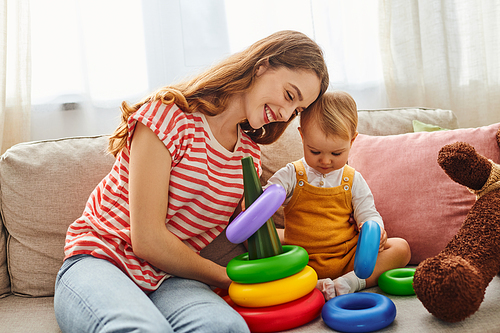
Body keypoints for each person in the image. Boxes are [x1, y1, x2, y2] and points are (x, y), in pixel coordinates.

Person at [53, 30, 329, 333]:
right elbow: (147, 239)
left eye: (297, 110)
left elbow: (245, 232)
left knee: (225, 327)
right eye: (290, 96)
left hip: (171, 279)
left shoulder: (249, 155)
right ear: (262, 65)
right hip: (102, 259)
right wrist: (226, 277)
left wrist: (330, 237)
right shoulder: (168, 114)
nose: (286, 113)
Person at [266, 91, 411, 300]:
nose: (325, 161)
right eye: (315, 152)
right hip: (301, 260)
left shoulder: (352, 180)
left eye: (336, 153)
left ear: (352, 141)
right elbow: (267, 197)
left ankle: (353, 282)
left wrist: (375, 230)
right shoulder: (291, 174)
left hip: (349, 260)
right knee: (265, 253)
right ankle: (312, 284)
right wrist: (259, 200)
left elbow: (368, 212)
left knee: (401, 248)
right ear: (302, 136)